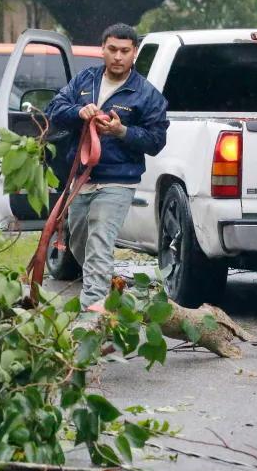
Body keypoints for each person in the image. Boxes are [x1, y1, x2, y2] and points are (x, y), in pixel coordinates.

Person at [46, 23, 169, 310]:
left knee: (100, 242)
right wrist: (79, 111)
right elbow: (53, 109)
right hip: (81, 179)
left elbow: (156, 140)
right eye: (112, 49)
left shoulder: (146, 94)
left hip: (118, 181)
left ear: (134, 53)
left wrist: (121, 131)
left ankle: (92, 318)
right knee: (80, 245)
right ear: (102, 49)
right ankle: (114, 293)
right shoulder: (84, 81)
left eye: (125, 51)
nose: (117, 56)